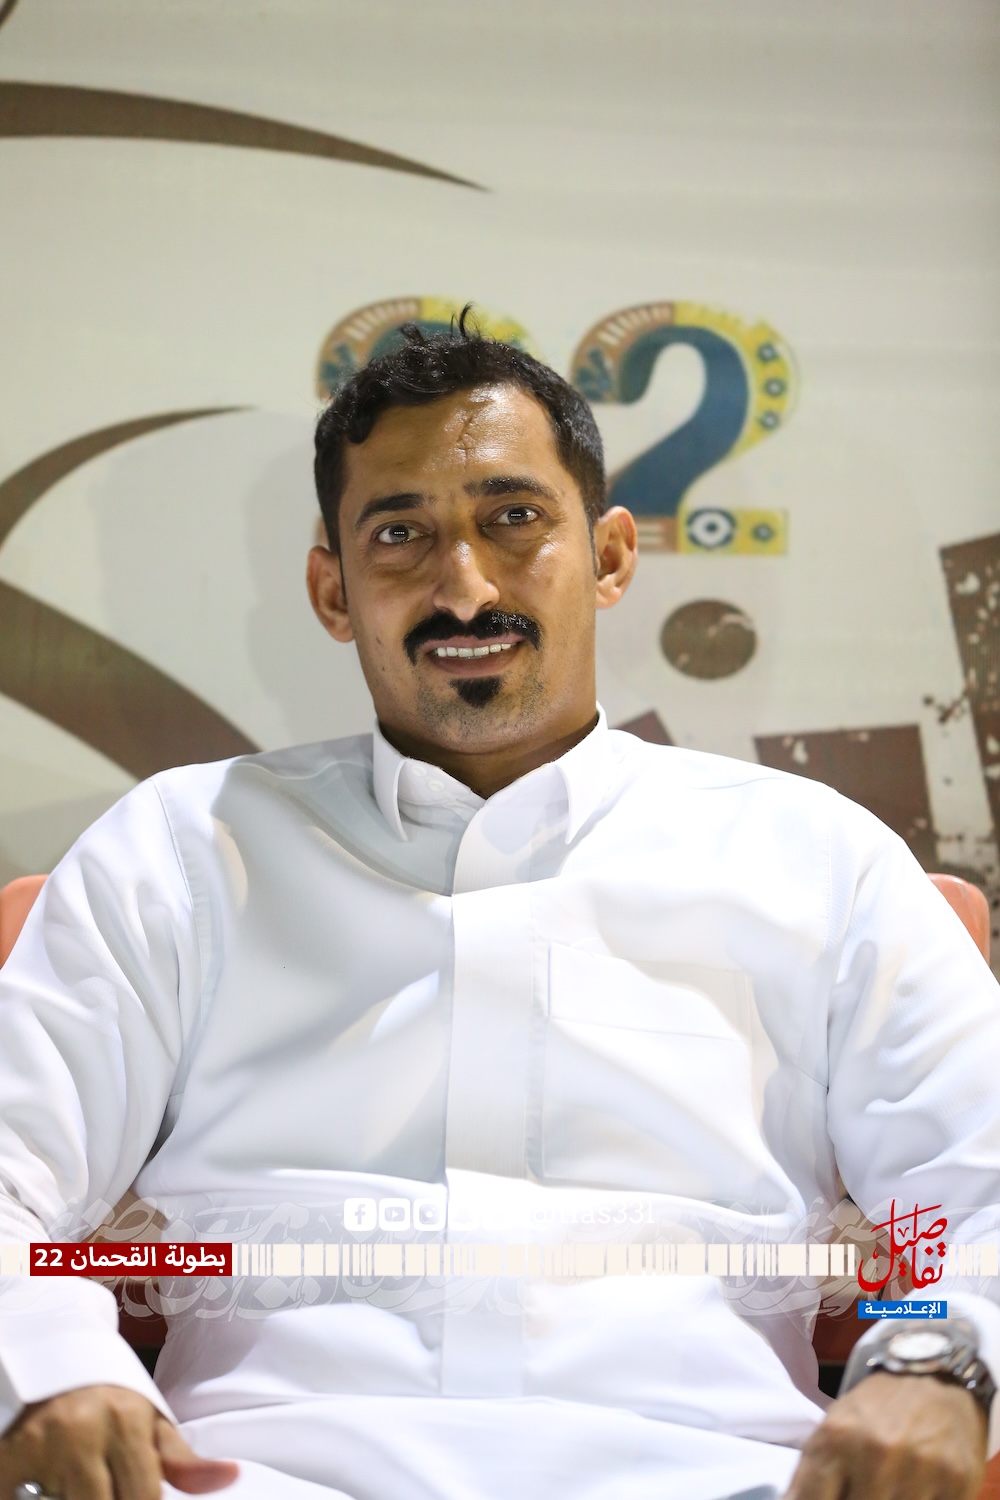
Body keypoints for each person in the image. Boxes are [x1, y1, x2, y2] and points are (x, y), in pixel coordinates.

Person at [0, 316, 998, 1500]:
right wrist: (51, 1370)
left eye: (513, 519)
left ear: (611, 557)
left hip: (713, 1480)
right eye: (399, 534)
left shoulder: (812, 858)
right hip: (256, 1480)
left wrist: (938, 1361)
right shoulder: (181, 850)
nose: (463, 586)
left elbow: (970, 1192)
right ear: (331, 589)